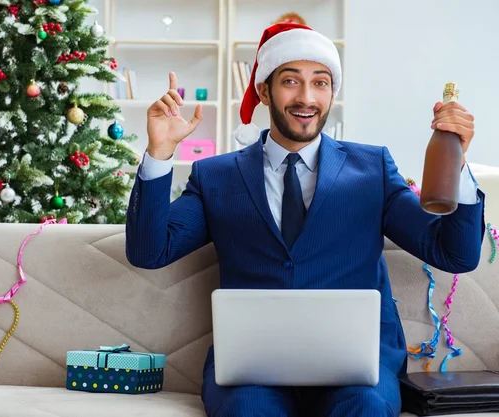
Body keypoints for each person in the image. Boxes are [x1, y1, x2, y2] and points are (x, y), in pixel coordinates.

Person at [125, 22, 485, 417]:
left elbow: (455, 255)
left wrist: (459, 163)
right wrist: (159, 153)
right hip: (253, 370)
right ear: (264, 90)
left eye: (320, 83)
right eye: (291, 81)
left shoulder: (372, 169)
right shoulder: (217, 176)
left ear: (332, 92)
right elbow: (149, 251)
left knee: (364, 407)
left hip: (356, 370)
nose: (306, 98)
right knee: (248, 410)